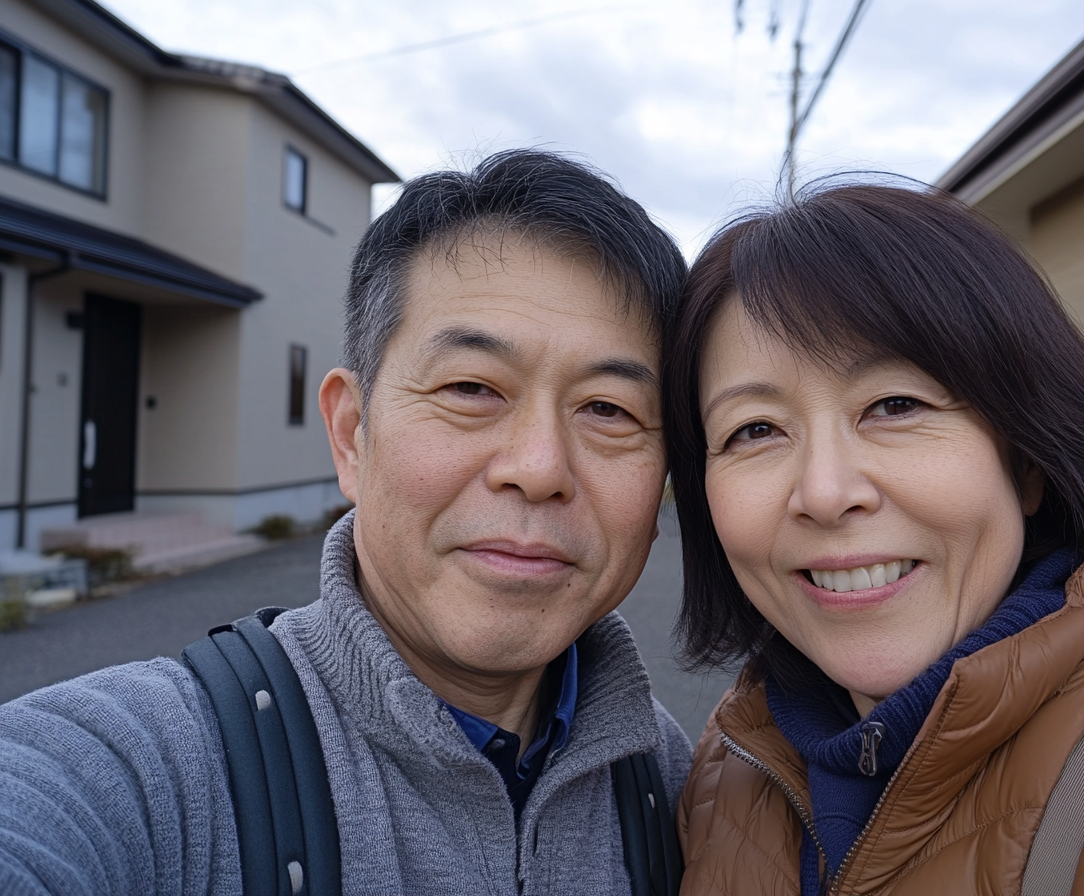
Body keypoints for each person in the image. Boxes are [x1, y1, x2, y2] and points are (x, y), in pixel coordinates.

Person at [0, 150, 692, 895]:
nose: (539, 467)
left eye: (609, 410)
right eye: (471, 388)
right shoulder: (144, 764)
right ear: (352, 434)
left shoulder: (677, 783)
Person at [663, 180, 1084, 895]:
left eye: (895, 405)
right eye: (756, 430)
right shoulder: (725, 769)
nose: (827, 494)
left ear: (1027, 461)